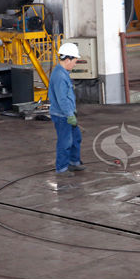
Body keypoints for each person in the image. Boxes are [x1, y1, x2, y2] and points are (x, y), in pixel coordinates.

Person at [49, 42, 86, 177]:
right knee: (65, 141)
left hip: (68, 113)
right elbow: (62, 99)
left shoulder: (63, 72)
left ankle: (73, 162)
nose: (75, 64)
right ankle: (62, 168)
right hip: (62, 115)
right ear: (68, 59)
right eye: (75, 61)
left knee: (76, 137)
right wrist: (70, 115)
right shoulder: (59, 75)